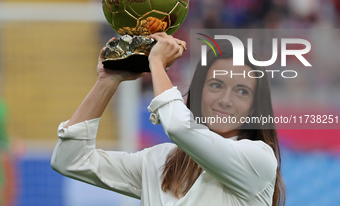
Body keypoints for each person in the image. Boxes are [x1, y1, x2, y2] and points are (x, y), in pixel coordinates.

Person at [51, 32, 285, 206]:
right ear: (198, 92)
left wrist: (157, 63)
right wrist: (107, 81)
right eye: (216, 85)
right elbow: (70, 160)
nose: (226, 99)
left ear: (255, 108)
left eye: (242, 91)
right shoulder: (158, 160)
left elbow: (179, 127)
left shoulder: (259, 160)